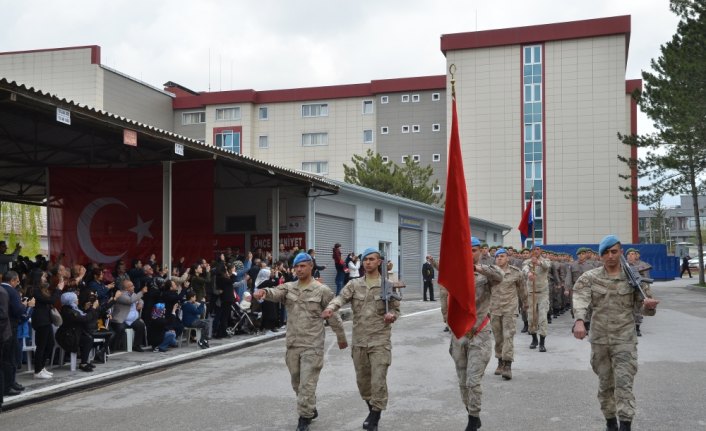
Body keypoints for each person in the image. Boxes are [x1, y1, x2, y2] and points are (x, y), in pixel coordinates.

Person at [572, 235, 659, 431]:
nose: (610, 256)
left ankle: (625, 424)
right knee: (605, 384)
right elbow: (580, 298)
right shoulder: (590, 277)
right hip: (600, 339)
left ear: (621, 252)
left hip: (624, 339)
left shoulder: (633, 278)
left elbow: (644, 306)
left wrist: (649, 306)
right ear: (601, 255)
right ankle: (610, 421)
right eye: (606, 252)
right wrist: (579, 320)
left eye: (614, 251)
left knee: (624, 384)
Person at [254, 252, 348, 431]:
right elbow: (275, 292)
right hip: (293, 344)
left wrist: (341, 337)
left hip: (313, 345)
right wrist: (264, 292)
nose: (298, 269)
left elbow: (333, 315)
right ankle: (310, 408)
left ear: (311, 266)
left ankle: (304, 419)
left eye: (302, 266)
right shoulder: (289, 287)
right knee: (297, 382)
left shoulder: (322, 291)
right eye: (296, 267)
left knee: (307, 383)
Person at [322, 247, 400, 431]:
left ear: (379, 262)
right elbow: (340, 298)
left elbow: (396, 309)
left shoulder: (387, 285)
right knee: (363, 383)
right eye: (365, 259)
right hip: (359, 342)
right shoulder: (354, 284)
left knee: (378, 380)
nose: (368, 262)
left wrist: (392, 315)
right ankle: (372, 409)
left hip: (380, 341)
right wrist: (331, 308)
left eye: (372, 259)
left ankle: (375, 416)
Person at [448, 237, 504, 431]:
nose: (470, 253)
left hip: (479, 333)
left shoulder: (485, 274)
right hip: (459, 335)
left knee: (473, 380)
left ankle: (473, 418)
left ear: (480, 252)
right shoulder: (455, 274)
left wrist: (477, 268)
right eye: (466, 250)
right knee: (462, 381)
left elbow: (499, 276)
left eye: (474, 250)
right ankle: (470, 410)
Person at [490, 248, 527, 380]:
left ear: (507, 258)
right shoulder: (491, 272)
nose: (499, 258)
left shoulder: (516, 273)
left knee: (508, 336)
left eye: (502, 256)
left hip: (510, 309)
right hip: (494, 309)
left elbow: (522, 289)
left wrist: (525, 304)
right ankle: (500, 361)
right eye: (497, 256)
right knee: (498, 338)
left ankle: (507, 365)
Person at [522, 245, 551, 352]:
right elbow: (524, 268)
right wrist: (529, 273)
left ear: (541, 251)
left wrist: (538, 262)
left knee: (543, 318)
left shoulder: (546, 260)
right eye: (534, 249)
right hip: (531, 293)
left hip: (543, 293)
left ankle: (542, 342)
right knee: (531, 318)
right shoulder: (527, 261)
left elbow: (547, 266)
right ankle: (534, 339)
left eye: (538, 249)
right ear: (531, 251)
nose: (536, 251)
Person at [110, 280, 148, 352]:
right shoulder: (120, 294)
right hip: (122, 319)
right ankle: (114, 347)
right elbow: (130, 301)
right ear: (126, 288)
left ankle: (136, 345)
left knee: (140, 325)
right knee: (120, 329)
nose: (134, 287)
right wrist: (142, 292)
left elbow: (139, 299)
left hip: (132, 320)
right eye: (131, 286)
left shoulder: (132, 294)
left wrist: (141, 303)